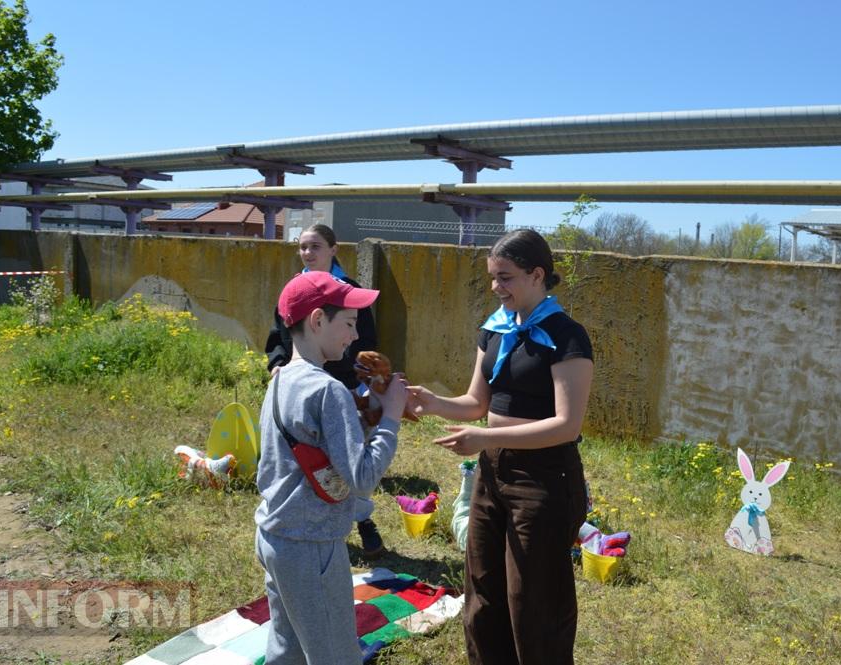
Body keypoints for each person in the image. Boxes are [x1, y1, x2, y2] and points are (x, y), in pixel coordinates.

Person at [408, 229, 594, 665]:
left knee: (533, 602)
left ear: (537, 274)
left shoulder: (567, 336)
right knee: (483, 594)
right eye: (493, 277)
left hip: (544, 478)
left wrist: (484, 438)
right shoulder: (493, 330)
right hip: (492, 473)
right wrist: (432, 402)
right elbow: (477, 404)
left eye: (505, 277)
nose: (496, 287)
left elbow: (566, 425)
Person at [254, 271, 408, 665]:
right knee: (335, 653)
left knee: (286, 646)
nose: (355, 337)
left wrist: (368, 417)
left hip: (275, 535)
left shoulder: (281, 379)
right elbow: (362, 478)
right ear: (318, 320)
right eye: (350, 323)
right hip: (313, 544)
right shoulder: (328, 390)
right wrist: (391, 415)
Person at [264, 224, 386, 557]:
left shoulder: (349, 291)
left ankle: (360, 521)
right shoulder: (293, 290)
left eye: (314, 246)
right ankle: (331, 521)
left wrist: (362, 385)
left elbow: (366, 343)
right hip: (305, 387)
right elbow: (278, 337)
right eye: (302, 247)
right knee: (318, 464)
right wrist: (279, 364)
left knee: (343, 460)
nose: (307, 253)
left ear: (333, 249)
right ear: (318, 321)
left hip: (341, 387)